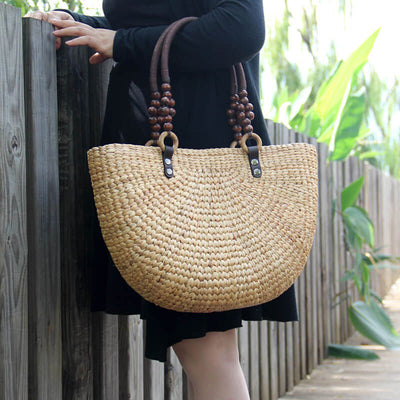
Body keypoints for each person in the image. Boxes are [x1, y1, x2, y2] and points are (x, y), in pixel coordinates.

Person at [25, 1, 299, 399]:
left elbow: (242, 27)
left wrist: (123, 42)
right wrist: (84, 26)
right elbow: (157, 19)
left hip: (195, 156)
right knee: (209, 350)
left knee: (208, 350)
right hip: (179, 153)